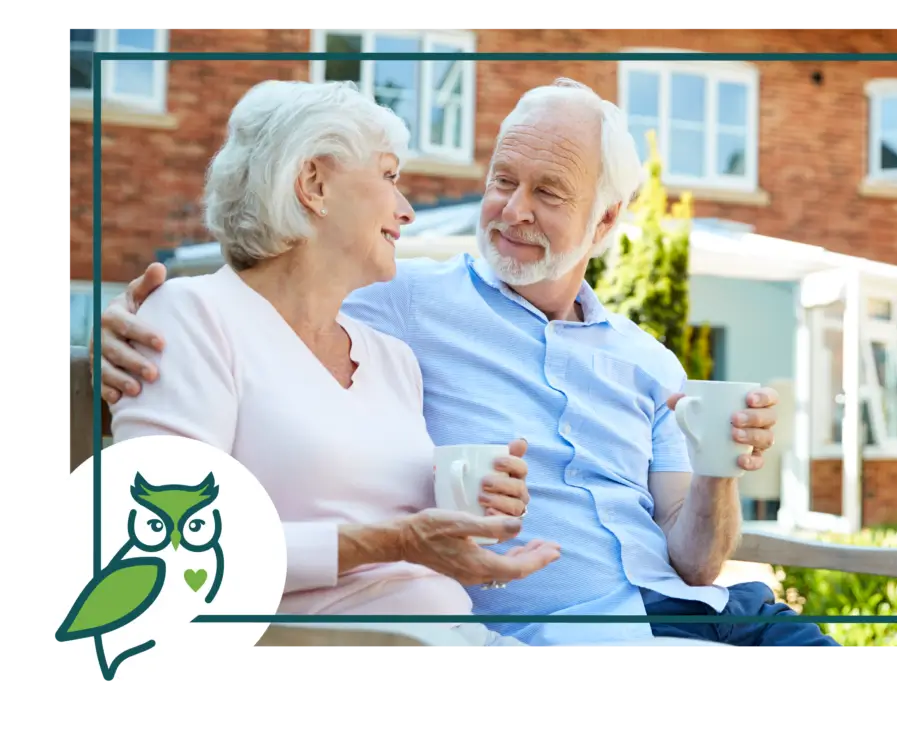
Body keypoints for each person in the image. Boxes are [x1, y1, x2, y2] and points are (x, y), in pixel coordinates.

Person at [95, 77, 840, 649]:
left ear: (606, 220)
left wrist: (719, 463)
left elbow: (696, 562)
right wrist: (136, 319)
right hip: (569, 629)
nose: (512, 210)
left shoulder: (638, 360)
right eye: (502, 181)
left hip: (705, 607)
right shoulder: (399, 300)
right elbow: (271, 284)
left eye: (548, 192)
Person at [104, 79, 561, 649]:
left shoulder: (391, 358)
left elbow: (403, 530)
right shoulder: (192, 316)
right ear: (314, 183)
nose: (407, 210)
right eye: (389, 176)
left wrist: (472, 506)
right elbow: (171, 556)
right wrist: (396, 541)